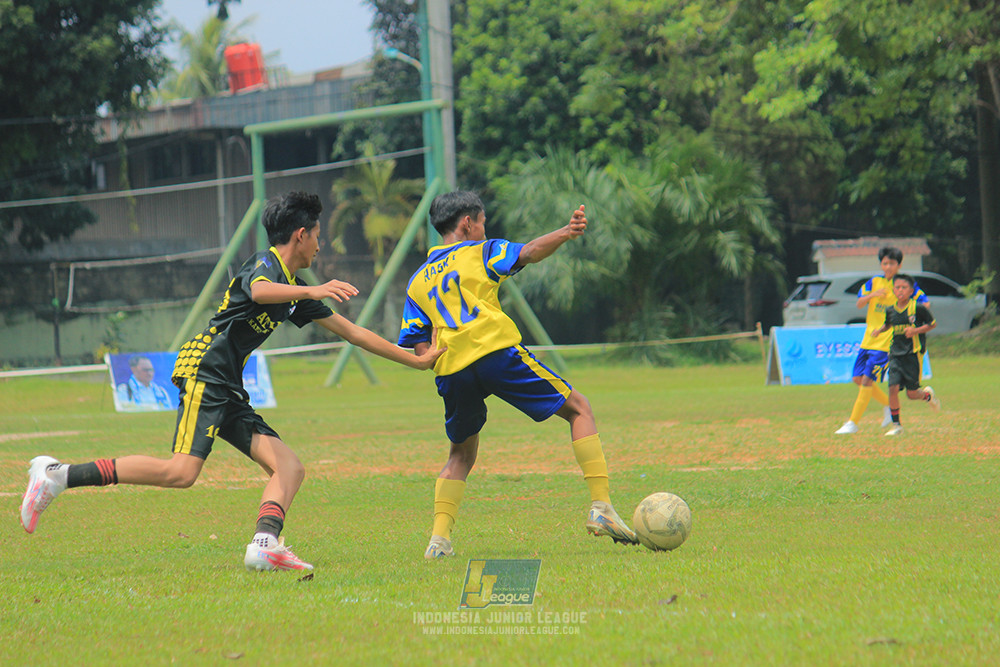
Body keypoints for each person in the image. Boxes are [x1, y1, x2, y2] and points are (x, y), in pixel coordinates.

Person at [20, 191, 444, 571]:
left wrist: (416, 360)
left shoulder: (293, 288)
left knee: (289, 467)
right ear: (300, 235)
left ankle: (265, 544)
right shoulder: (265, 264)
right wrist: (312, 292)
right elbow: (259, 292)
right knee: (181, 472)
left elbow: (355, 333)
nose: (320, 244)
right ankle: (59, 475)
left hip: (228, 385)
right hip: (205, 370)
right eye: (317, 235)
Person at [397, 190, 638, 560]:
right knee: (579, 408)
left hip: (450, 369)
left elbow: (417, 345)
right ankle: (601, 507)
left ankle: (439, 541)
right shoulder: (479, 250)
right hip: (494, 353)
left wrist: (434, 354)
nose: (483, 229)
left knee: (460, 454)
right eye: (482, 222)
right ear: (467, 223)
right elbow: (527, 252)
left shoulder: (417, 281)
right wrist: (566, 232)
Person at [835, 246, 929, 434]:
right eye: (885, 263)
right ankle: (888, 406)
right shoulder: (874, 282)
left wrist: (914, 320)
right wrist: (872, 295)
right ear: (881, 264)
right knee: (857, 378)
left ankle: (853, 423)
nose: (888, 267)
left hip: (888, 342)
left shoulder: (903, 284)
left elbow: (924, 302)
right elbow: (860, 303)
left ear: (899, 265)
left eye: (892, 263)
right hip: (869, 338)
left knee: (867, 380)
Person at [870, 274, 940, 436]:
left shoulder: (918, 308)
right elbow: (889, 324)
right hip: (895, 354)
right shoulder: (891, 310)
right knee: (892, 388)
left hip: (913, 353)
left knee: (912, 394)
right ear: (893, 290)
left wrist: (915, 330)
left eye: (904, 288)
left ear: (911, 291)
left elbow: (933, 324)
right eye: (897, 287)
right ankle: (897, 426)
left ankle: (928, 396)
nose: (900, 290)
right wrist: (880, 330)